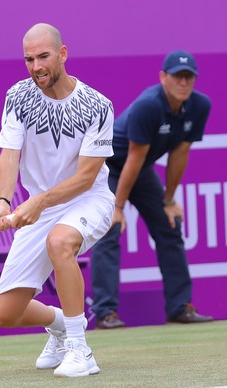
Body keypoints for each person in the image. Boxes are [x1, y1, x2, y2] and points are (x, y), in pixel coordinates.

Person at [0, 23, 115, 378]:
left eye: (43, 56)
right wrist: (2, 201)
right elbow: (9, 155)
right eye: (28, 59)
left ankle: (80, 348)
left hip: (89, 201)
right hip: (42, 206)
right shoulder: (17, 96)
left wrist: (38, 202)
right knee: (5, 314)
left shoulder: (97, 105)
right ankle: (60, 326)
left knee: (60, 242)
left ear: (62, 54)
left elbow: (86, 177)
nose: (36, 66)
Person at [90, 50, 213, 329]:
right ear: (163, 78)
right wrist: (118, 208)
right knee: (109, 228)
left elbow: (180, 154)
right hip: (109, 167)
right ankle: (106, 313)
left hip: (140, 169)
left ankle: (179, 307)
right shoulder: (149, 105)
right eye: (177, 76)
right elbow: (133, 157)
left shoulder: (200, 106)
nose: (183, 82)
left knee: (170, 224)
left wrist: (169, 200)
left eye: (189, 77)